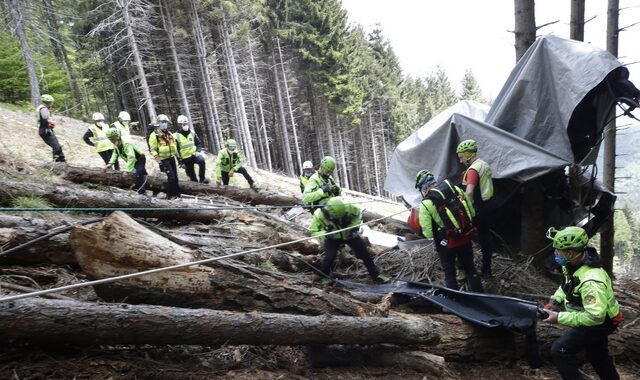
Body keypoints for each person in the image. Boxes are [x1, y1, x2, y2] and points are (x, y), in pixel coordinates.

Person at [542, 226, 622, 380]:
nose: (555, 254)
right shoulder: (574, 264)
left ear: (570, 252)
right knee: (597, 355)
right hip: (598, 316)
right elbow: (567, 285)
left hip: (600, 321)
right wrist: (555, 300)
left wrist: (558, 317)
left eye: (558, 251)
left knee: (560, 350)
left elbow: (594, 317)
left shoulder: (591, 280)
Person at [416, 169, 483, 293]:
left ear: (423, 188)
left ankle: (455, 302)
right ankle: (480, 295)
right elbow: (471, 211)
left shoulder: (426, 203)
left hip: (446, 242)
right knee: (470, 268)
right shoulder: (454, 189)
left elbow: (428, 232)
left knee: (449, 273)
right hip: (465, 235)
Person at [309, 197, 390, 284]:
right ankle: (323, 276)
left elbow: (357, 215)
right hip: (332, 238)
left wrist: (354, 227)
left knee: (364, 253)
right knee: (330, 257)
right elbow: (314, 231)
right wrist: (326, 234)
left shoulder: (349, 207)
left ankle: (375, 275)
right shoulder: (319, 214)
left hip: (349, 235)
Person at [457, 139, 495, 276]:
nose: (461, 161)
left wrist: (464, 207)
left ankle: (465, 268)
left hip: (477, 207)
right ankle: (487, 269)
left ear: (468, 154)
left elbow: (469, 191)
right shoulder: (484, 165)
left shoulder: (473, 169)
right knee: (485, 238)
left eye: (461, 157)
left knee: (465, 236)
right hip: (488, 205)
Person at [105, 128, 147, 194]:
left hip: (139, 159)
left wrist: (127, 170)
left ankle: (142, 192)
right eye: (109, 139)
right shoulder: (116, 143)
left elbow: (131, 157)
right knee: (134, 172)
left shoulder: (126, 143)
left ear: (117, 136)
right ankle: (140, 181)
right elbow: (115, 153)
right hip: (132, 160)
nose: (111, 140)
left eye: (112, 138)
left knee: (138, 173)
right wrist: (111, 163)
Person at [148, 114, 180, 199]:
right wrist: (159, 162)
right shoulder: (154, 135)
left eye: (166, 122)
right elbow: (153, 150)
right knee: (171, 177)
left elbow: (174, 146)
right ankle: (169, 196)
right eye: (163, 122)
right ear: (159, 123)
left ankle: (177, 194)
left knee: (175, 177)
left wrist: (179, 158)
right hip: (163, 159)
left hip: (171, 158)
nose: (164, 124)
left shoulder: (169, 134)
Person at [175, 115, 209, 184]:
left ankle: (202, 178)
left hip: (194, 155)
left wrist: (198, 151)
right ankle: (195, 185)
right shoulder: (176, 136)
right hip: (185, 159)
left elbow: (198, 143)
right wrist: (180, 162)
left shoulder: (192, 132)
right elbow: (176, 151)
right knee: (193, 178)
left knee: (202, 161)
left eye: (186, 123)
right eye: (183, 124)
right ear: (179, 125)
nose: (185, 125)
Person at [36, 94, 66, 162]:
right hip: (45, 131)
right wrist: (50, 123)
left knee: (58, 147)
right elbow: (44, 118)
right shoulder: (43, 109)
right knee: (56, 147)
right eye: (51, 103)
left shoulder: (42, 108)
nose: (51, 104)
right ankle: (56, 164)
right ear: (48, 102)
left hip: (47, 131)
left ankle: (62, 162)